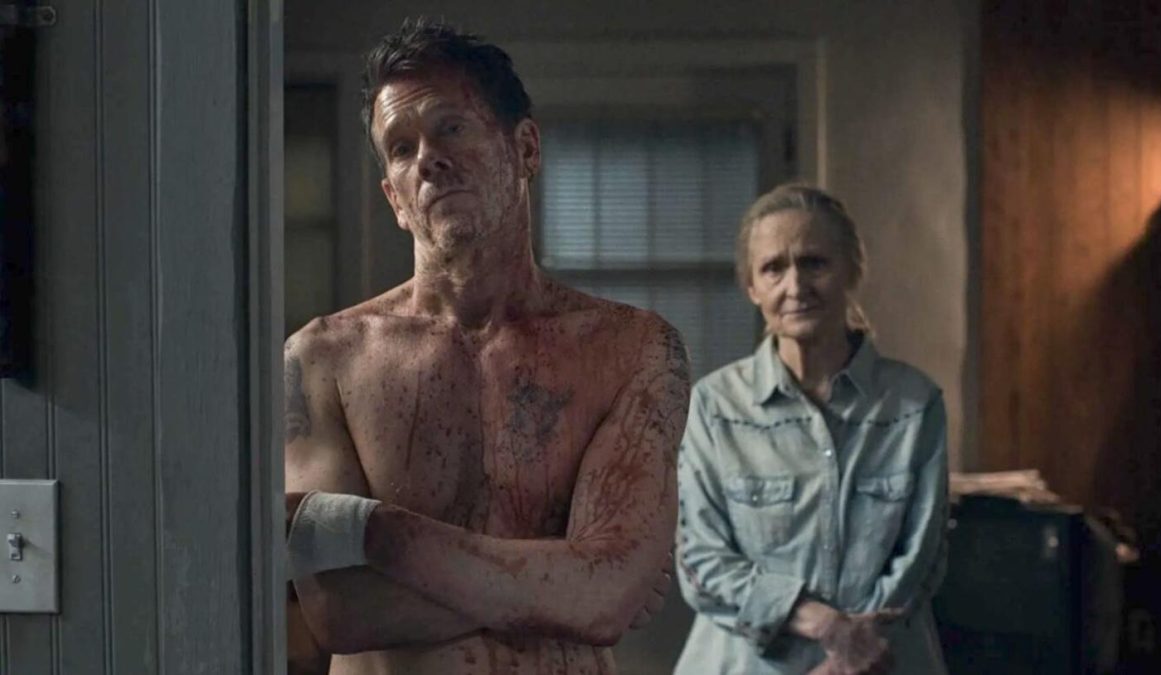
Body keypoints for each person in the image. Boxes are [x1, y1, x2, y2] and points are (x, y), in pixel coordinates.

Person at [282, 19, 689, 675]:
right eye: (401, 148)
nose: (427, 159)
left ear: (525, 148)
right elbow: (342, 611)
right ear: (394, 199)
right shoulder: (321, 359)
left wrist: (379, 533)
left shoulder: (633, 349)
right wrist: (566, 585)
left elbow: (605, 597)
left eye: (451, 127)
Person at [673, 183, 949, 675]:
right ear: (752, 287)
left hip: (879, 663)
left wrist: (853, 652)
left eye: (814, 263)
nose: (795, 285)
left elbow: (922, 559)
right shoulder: (713, 407)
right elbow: (699, 561)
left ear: (852, 271)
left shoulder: (914, 405)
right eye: (773, 268)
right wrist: (827, 626)